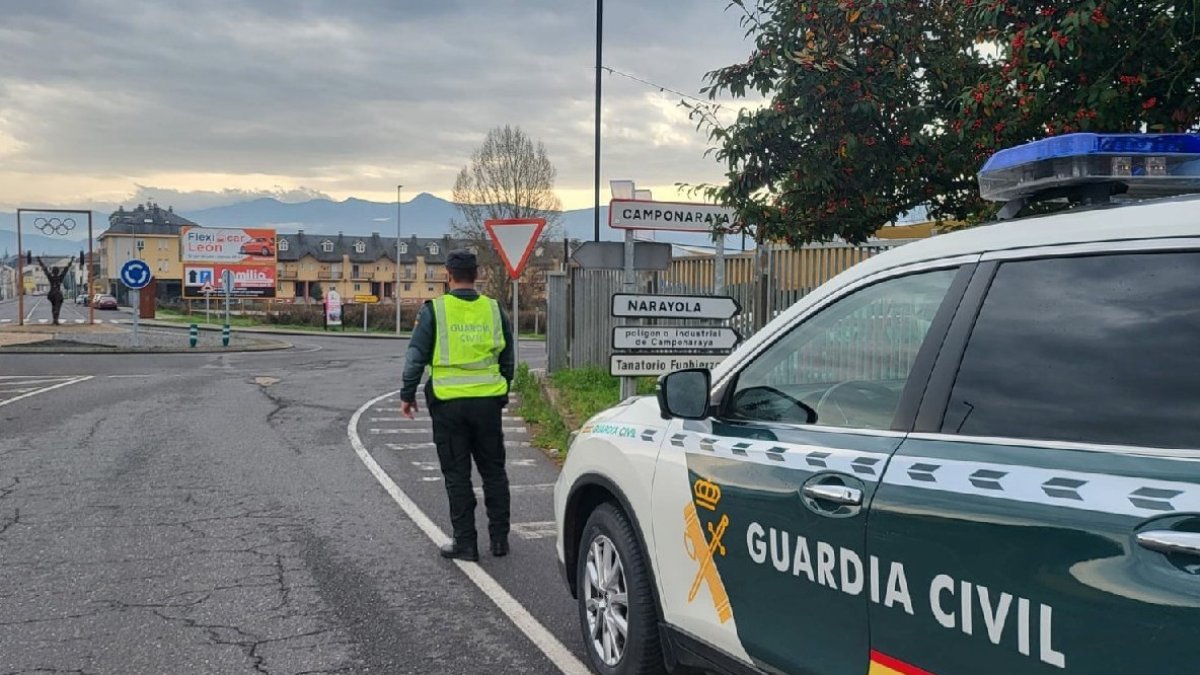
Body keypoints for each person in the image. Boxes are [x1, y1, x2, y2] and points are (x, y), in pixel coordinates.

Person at [399, 249, 515, 562]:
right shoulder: (494, 309)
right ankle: (500, 540)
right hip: (487, 403)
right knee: (494, 472)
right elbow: (508, 357)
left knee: (457, 475)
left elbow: (415, 357)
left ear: (448, 276)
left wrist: (407, 395)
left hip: (449, 407)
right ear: (477, 275)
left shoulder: (434, 311)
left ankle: (466, 543)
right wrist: (503, 391)